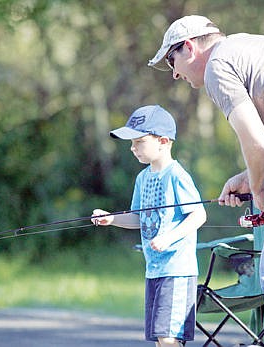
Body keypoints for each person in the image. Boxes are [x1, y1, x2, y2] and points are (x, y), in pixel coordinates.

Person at [147, 14, 264, 347]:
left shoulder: (217, 66)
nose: (175, 73)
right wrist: (251, 176)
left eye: (172, 60)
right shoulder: (251, 46)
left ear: (190, 47)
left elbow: (257, 143)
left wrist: (255, 185)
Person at [91, 105, 206, 347]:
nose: (132, 148)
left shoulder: (177, 175)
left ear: (163, 141)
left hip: (177, 270)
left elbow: (198, 215)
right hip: (153, 270)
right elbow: (137, 218)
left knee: (168, 338)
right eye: (131, 143)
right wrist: (111, 218)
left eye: (139, 141)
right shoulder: (142, 178)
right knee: (159, 338)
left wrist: (169, 238)